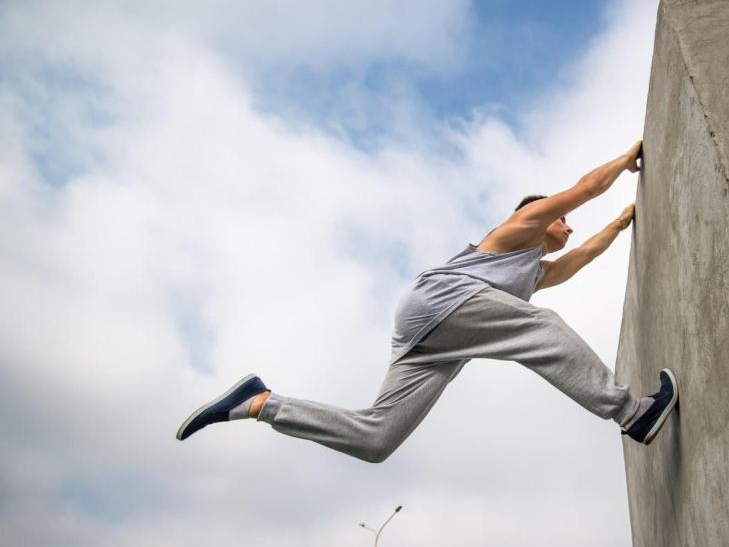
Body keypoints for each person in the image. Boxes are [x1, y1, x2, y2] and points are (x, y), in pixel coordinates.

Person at [176, 140, 679, 461]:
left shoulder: (534, 274)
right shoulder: (518, 229)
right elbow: (584, 188)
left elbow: (581, 258)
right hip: (441, 302)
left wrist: (620, 222)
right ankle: (631, 412)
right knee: (541, 328)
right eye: (563, 220)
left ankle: (260, 403)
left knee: (378, 438)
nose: (569, 228)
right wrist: (626, 159)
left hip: (430, 338)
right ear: (542, 216)